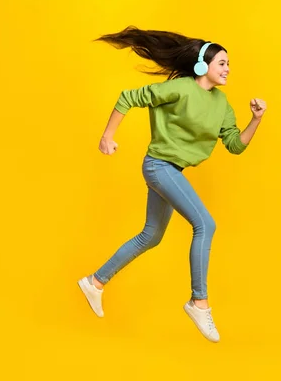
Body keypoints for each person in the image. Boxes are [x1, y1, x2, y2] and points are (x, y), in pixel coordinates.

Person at [77, 26, 267, 343]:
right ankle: (199, 301)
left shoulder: (222, 104)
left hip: (172, 169)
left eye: (229, 64)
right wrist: (107, 136)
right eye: (222, 62)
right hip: (159, 165)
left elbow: (234, 144)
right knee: (205, 224)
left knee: (151, 235)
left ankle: (95, 282)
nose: (228, 69)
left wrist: (256, 119)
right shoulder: (180, 88)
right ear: (203, 65)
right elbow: (129, 97)